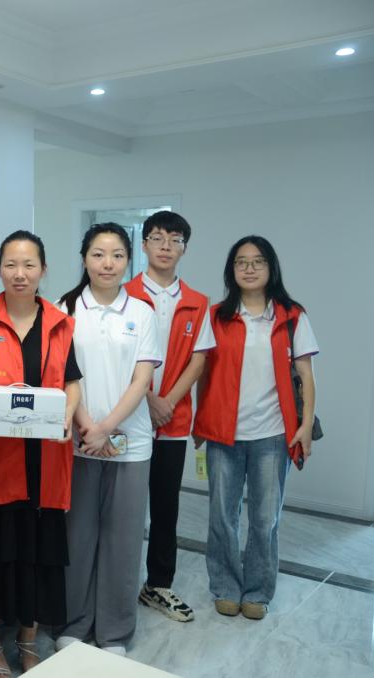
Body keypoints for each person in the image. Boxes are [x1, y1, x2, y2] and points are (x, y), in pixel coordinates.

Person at [0, 230, 82, 676]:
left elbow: (72, 382)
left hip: (45, 466)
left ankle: (28, 640)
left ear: (43, 269)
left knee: (36, 558)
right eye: (11, 264)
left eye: (29, 265)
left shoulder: (61, 324)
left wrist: (68, 414)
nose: (20, 273)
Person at [193, 235, 318, 620]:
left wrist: (305, 424)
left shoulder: (292, 316)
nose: (249, 268)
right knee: (222, 517)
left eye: (257, 261)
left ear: (270, 268)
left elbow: (306, 374)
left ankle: (258, 591)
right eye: (241, 262)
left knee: (265, 520)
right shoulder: (217, 316)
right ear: (231, 270)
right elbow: (202, 373)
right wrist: (200, 421)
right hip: (223, 436)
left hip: (273, 435)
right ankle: (226, 587)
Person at [56, 223, 161, 657]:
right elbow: (64, 374)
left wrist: (106, 427)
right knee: (77, 536)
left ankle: (115, 631)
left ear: (128, 261)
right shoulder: (64, 309)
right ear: (84, 258)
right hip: (77, 441)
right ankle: (73, 622)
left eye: (117, 255)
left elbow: (142, 380)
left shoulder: (142, 312)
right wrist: (87, 426)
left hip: (130, 444)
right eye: (98, 254)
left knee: (123, 539)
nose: (107, 263)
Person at [123, 211, 214, 623]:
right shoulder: (123, 294)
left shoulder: (197, 302)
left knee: (165, 507)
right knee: (123, 508)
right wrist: (147, 399)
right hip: (128, 418)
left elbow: (199, 361)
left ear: (184, 249)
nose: (165, 246)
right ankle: (117, 582)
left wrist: (167, 402)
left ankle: (158, 584)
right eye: (157, 237)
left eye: (174, 239)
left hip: (172, 422)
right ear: (143, 244)